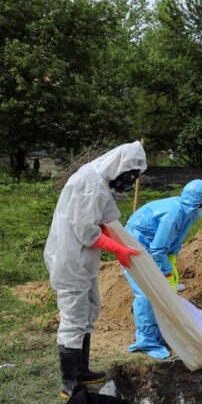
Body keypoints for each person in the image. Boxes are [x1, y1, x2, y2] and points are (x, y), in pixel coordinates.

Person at [44, 141, 147, 399]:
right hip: (70, 260)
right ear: (119, 165)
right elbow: (86, 231)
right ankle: (70, 383)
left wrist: (113, 239)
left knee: (90, 309)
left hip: (82, 259)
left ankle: (82, 369)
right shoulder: (89, 184)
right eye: (129, 175)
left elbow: (101, 220)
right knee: (73, 319)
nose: (127, 181)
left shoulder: (98, 181)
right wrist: (116, 248)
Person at [124, 179, 202, 359]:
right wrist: (165, 271)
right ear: (200, 201)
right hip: (135, 246)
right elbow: (157, 249)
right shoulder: (173, 214)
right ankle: (147, 341)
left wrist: (170, 263)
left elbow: (171, 242)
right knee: (146, 293)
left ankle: (161, 333)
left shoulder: (188, 211)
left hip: (151, 248)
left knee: (161, 292)